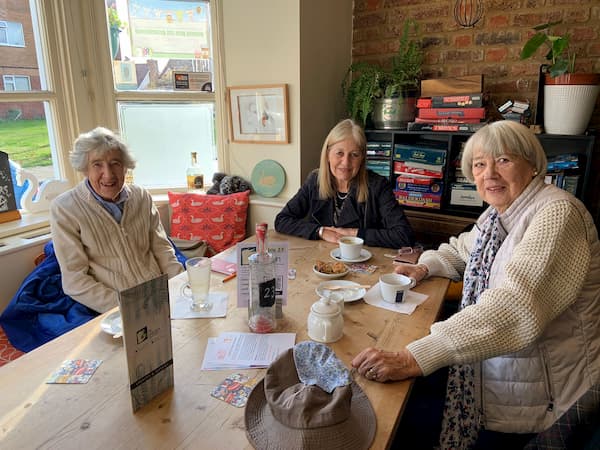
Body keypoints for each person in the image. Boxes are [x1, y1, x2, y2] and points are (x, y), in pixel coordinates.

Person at [351, 121, 600, 449]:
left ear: (533, 165)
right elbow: (460, 250)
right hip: (497, 374)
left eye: (504, 160)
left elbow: (513, 308)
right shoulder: (499, 215)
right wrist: (423, 267)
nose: (490, 173)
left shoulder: (556, 214)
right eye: (480, 164)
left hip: (543, 402)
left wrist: (414, 357)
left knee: (391, 420)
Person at [50, 127, 183, 313]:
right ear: (84, 169)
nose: (109, 174)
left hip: (159, 294)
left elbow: (162, 249)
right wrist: (126, 307)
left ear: (125, 166)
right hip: (114, 308)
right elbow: (75, 281)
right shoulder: (65, 208)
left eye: (115, 163)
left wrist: (181, 285)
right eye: (97, 164)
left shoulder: (141, 196)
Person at [274, 118, 414, 249]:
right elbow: (281, 220)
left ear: (362, 158)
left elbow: (404, 235)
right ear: (328, 154)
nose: (346, 162)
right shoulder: (314, 181)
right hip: (321, 260)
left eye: (354, 155)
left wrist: (352, 233)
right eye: (339, 153)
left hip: (363, 263)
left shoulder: (378, 186)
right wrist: (321, 231)